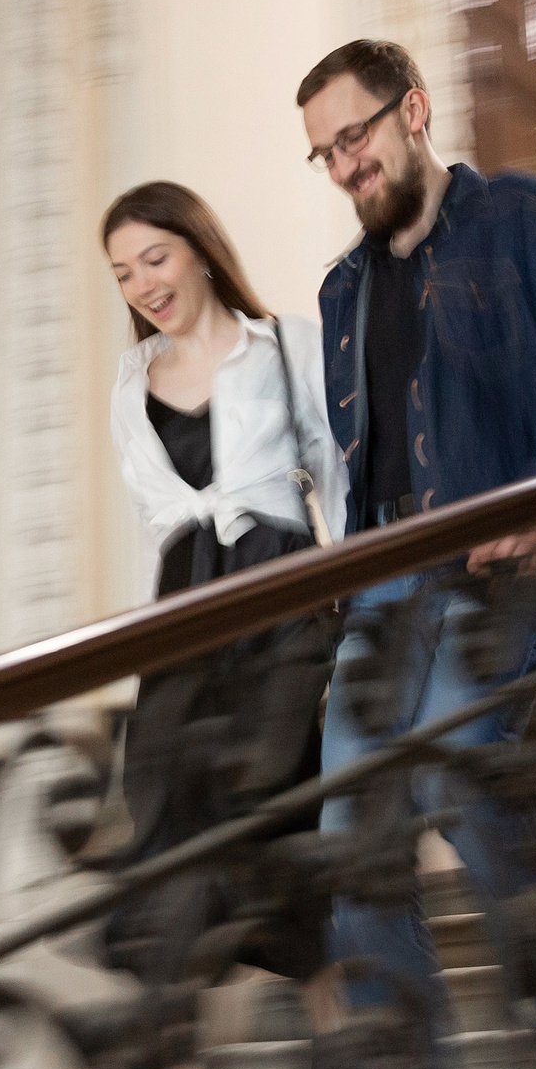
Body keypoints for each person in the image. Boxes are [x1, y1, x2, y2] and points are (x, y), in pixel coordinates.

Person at [296, 39, 536, 1069]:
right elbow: (359, 466)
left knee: (454, 776)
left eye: (355, 135)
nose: (345, 164)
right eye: (323, 153)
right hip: (385, 581)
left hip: (503, 564)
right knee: (352, 835)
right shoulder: (340, 294)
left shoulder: (519, 219)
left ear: (414, 113)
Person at [99, 181, 347, 1000]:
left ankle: (336, 1031)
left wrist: (355, 597)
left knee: (274, 790)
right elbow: (154, 525)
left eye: (155, 258)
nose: (143, 284)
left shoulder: (285, 347)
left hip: (276, 591)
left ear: (200, 248)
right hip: (182, 607)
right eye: (124, 272)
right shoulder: (129, 386)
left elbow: (336, 478)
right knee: (166, 792)